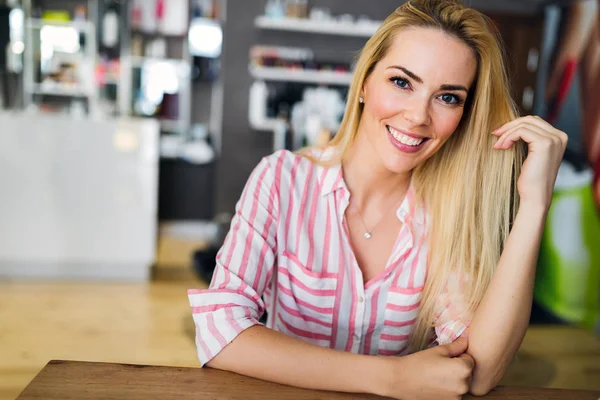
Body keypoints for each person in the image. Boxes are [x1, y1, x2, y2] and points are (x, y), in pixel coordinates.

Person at [188, 1, 568, 398]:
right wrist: (392, 378)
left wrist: (535, 203)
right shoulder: (281, 180)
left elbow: (481, 372)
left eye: (448, 97)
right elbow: (220, 331)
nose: (418, 116)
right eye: (402, 82)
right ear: (365, 81)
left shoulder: (451, 213)